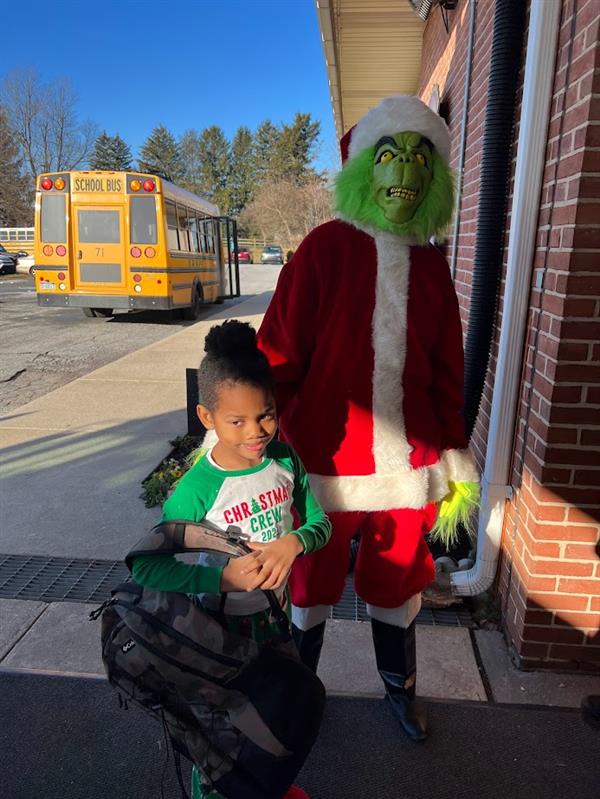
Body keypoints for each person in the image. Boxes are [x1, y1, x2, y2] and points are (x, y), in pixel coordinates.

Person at [257, 95, 480, 742]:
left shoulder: (433, 267)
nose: (404, 172)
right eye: (390, 155)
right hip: (324, 462)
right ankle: (294, 700)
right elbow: (279, 357)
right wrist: (279, 444)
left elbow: (447, 376)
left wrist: (451, 457)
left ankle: (398, 690)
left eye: (419, 157)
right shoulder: (325, 250)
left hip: (407, 470)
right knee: (310, 584)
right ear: (364, 169)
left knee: (398, 581)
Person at [131, 319, 331, 799]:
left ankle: (267, 786)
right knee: (219, 739)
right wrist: (221, 577)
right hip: (217, 636)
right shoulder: (196, 490)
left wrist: (294, 542)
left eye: (265, 415)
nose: (255, 431)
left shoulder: (285, 462)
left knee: (274, 720)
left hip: (276, 627)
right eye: (236, 421)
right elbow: (148, 565)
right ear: (207, 417)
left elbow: (321, 524)